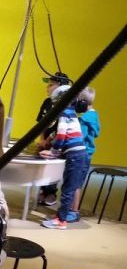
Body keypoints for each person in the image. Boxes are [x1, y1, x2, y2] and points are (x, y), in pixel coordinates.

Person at [40, 85, 88, 230]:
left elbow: (61, 135)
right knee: (68, 188)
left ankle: (61, 221)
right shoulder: (71, 113)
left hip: (74, 156)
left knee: (67, 189)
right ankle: (60, 217)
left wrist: (53, 152)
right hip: (78, 154)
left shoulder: (63, 113)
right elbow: (66, 135)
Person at [36, 71, 71, 206]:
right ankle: (43, 190)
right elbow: (41, 123)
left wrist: (49, 140)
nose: (47, 87)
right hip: (45, 141)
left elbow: (61, 128)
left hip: (57, 142)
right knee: (43, 166)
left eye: (51, 85)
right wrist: (42, 139)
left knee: (53, 167)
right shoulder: (46, 102)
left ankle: (51, 192)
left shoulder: (65, 105)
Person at [70, 86, 100, 217]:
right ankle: (72, 210)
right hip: (87, 155)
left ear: (82, 103)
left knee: (74, 183)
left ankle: (73, 211)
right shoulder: (94, 116)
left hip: (80, 154)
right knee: (77, 183)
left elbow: (78, 137)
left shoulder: (84, 119)